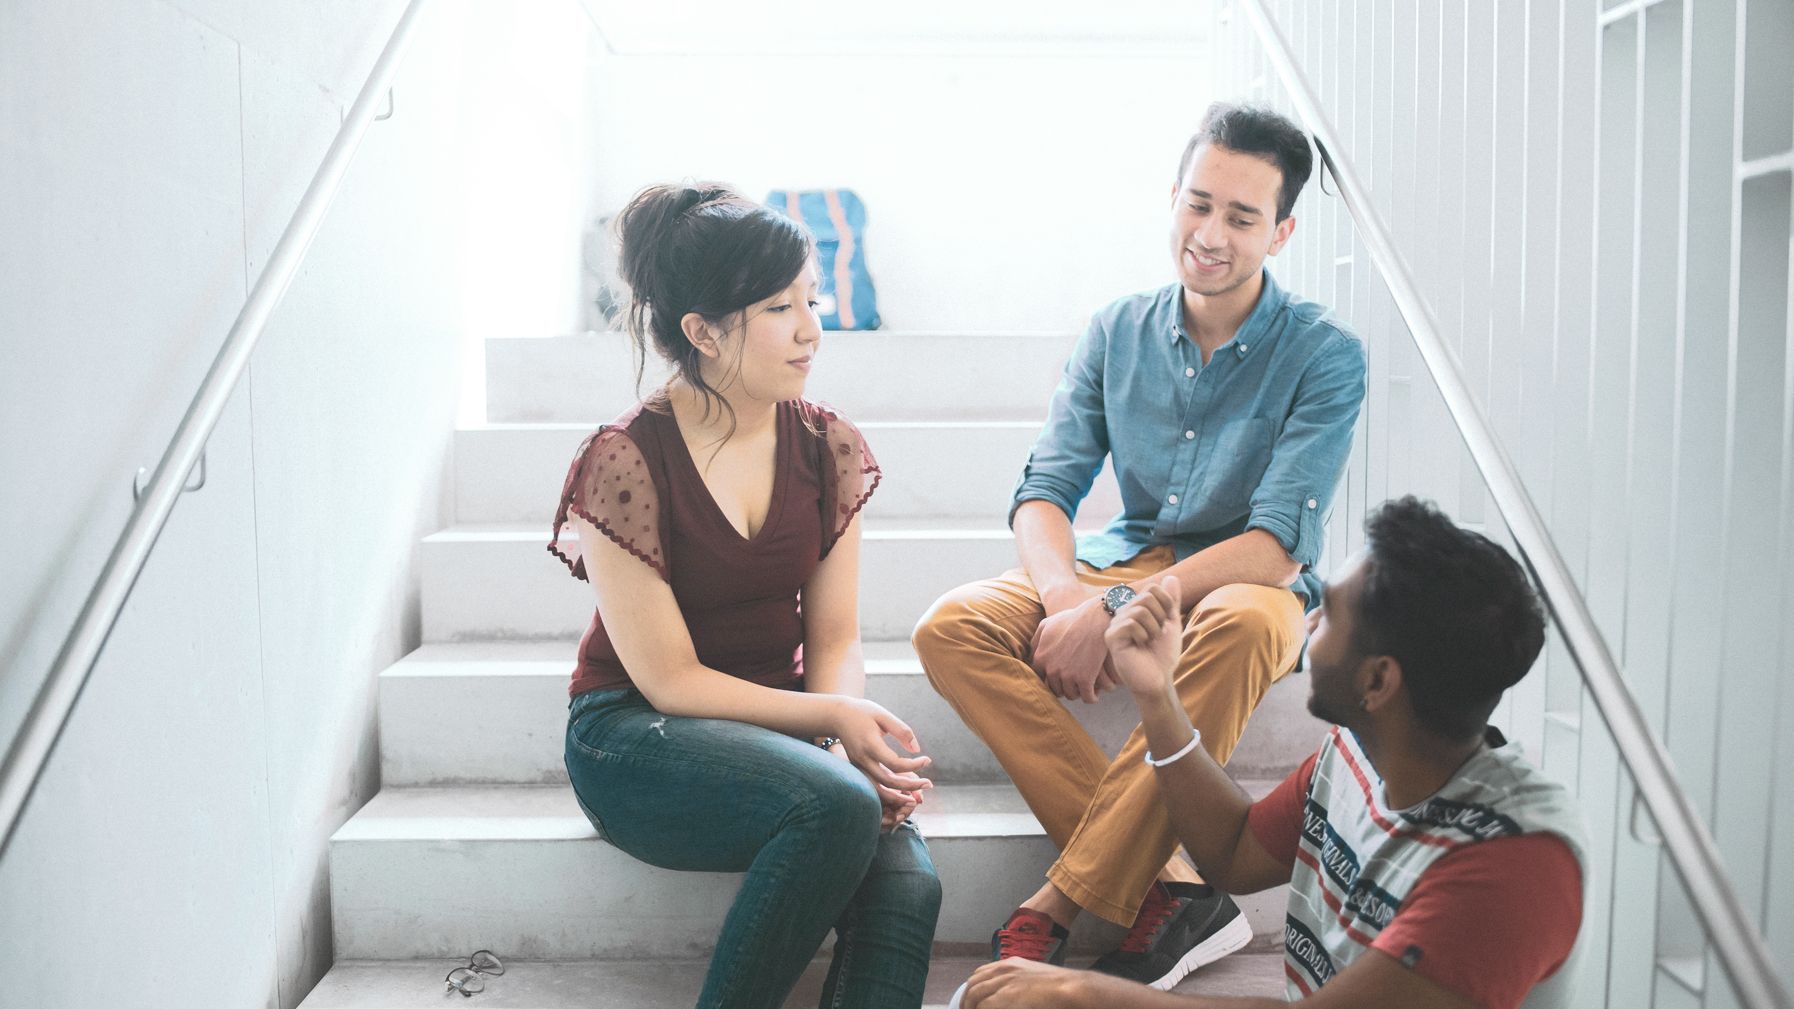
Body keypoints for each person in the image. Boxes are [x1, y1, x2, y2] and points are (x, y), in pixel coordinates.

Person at [915, 103, 1367, 998]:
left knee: (1238, 624)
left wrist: (1118, 612)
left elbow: (1277, 546)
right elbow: (1045, 492)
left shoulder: (1325, 353)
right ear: (1173, 199)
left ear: (1280, 232)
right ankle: (1176, 890)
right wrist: (1066, 604)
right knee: (950, 625)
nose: (1210, 234)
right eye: (1198, 205)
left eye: (1241, 218)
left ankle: (1063, 893)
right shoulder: (1116, 329)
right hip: (1122, 558)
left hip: (1246, 579)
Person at [549, 183, 942, 1009]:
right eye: (778, 307)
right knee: (839, 807)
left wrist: (838, 733)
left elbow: (833, 638)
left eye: (811, 298)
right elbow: (670, 679)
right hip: (637, 735)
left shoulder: (827, 445)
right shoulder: (622, 460)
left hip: (782, 728)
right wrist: (832, 726)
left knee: (906, 881)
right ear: (703, 332)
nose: (812, 328)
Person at [960, 496, 1588, 1008]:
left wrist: (1085, 993)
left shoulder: (1514, 863)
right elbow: (1235, 854)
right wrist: (1158, 698)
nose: (1309, 627)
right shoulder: (1358, 755)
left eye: (1329, 617)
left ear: (1378, 682)